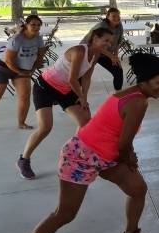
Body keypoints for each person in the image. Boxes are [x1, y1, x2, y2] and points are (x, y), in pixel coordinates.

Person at [7, 53, 159, 233]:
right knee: (65, 213)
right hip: (81, 157)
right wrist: (131, 160)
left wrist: (126, 160)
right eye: (158, 83)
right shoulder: (138, 101)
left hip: (106, 156)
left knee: (137, 189)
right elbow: (124, 144)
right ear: (143, 82)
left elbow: (119, 142)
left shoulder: (132, 92)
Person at [16, 28, 114, 180]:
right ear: (95, 38)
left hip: (66, 90)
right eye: (105, 40)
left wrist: (84, 98)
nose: (108, 44)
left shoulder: (96, 54)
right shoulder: (79, 51)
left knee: (84, 120)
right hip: (46, 87)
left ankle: (75, 154)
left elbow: (86, 78)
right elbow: (72, 79)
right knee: (45, 127)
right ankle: (24, 160)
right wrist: (80, 96)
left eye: (110, 42)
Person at [0, 15, 46, 134]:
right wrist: (21, 72)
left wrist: (33, 69)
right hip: (2, 68)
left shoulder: (39, 39)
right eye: (33, 24)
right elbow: (8, 60)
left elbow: (40, 57)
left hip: (23, 70)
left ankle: (21, 123)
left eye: (39, 25)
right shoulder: (17, 39)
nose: (36, 27)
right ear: (26, 25)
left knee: (24, 97)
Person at [82, 7, 124, 91]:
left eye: (118, 16)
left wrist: (115, 57)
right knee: (84, 74)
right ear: (107, 17)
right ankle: (77, 93)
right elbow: (96, 45)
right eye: (113, 16)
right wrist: (111, 56)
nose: (116, 18)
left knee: (118, 71)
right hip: (90, 51)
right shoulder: (102, 26)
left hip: (104, 54)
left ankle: (118, 95)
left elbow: (118, 43)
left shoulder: (119, 26)